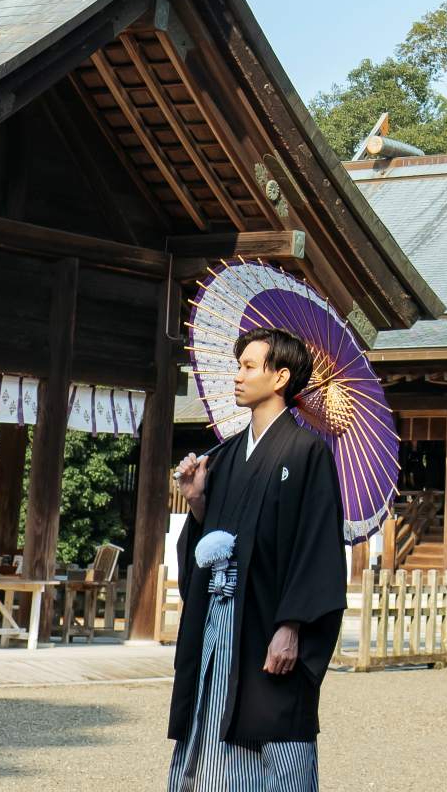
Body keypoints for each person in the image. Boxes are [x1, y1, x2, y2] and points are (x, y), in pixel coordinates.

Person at [166, 326, 347, 791]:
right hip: (219, 627)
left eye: (249, 367)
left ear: (281, 376)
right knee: (210, 724)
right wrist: (198, 503)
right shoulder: (224, 457)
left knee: (274, 731)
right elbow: (210, 547)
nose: (239, 376)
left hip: (270, 625)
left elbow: (317, 548)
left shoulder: (308, 453)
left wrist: (292, 627)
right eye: (239, 366)